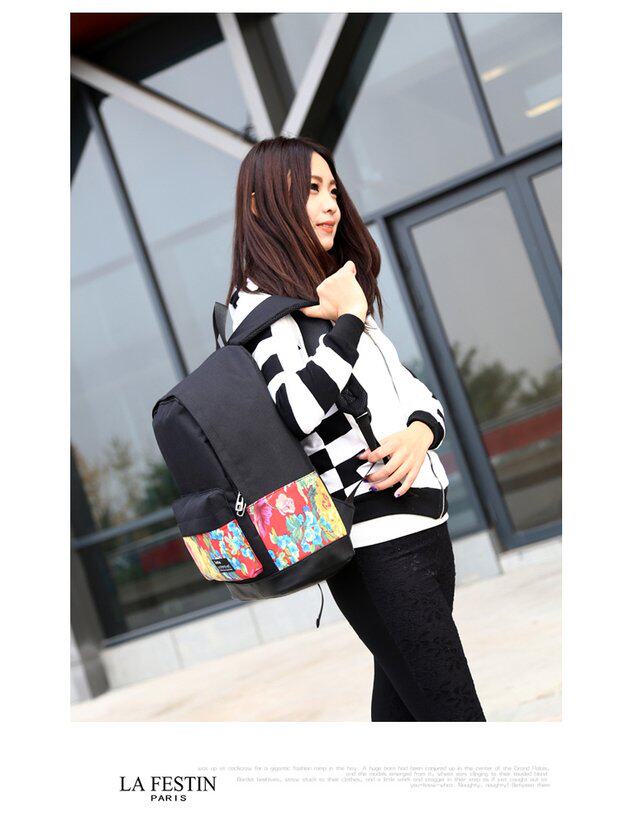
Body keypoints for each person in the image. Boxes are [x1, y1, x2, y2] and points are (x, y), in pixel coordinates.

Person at [225, 136, 486, 722]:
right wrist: (347, 321)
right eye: (310, 190)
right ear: (262, 204)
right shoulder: (261, 307)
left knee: (406, 717)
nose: (330, 205)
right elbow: (296, 410)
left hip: (423, 524)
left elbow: (414, 393)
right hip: (374, 542)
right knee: (456, 720)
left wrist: (420, 434)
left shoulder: (333, 292)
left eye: (332, 190)